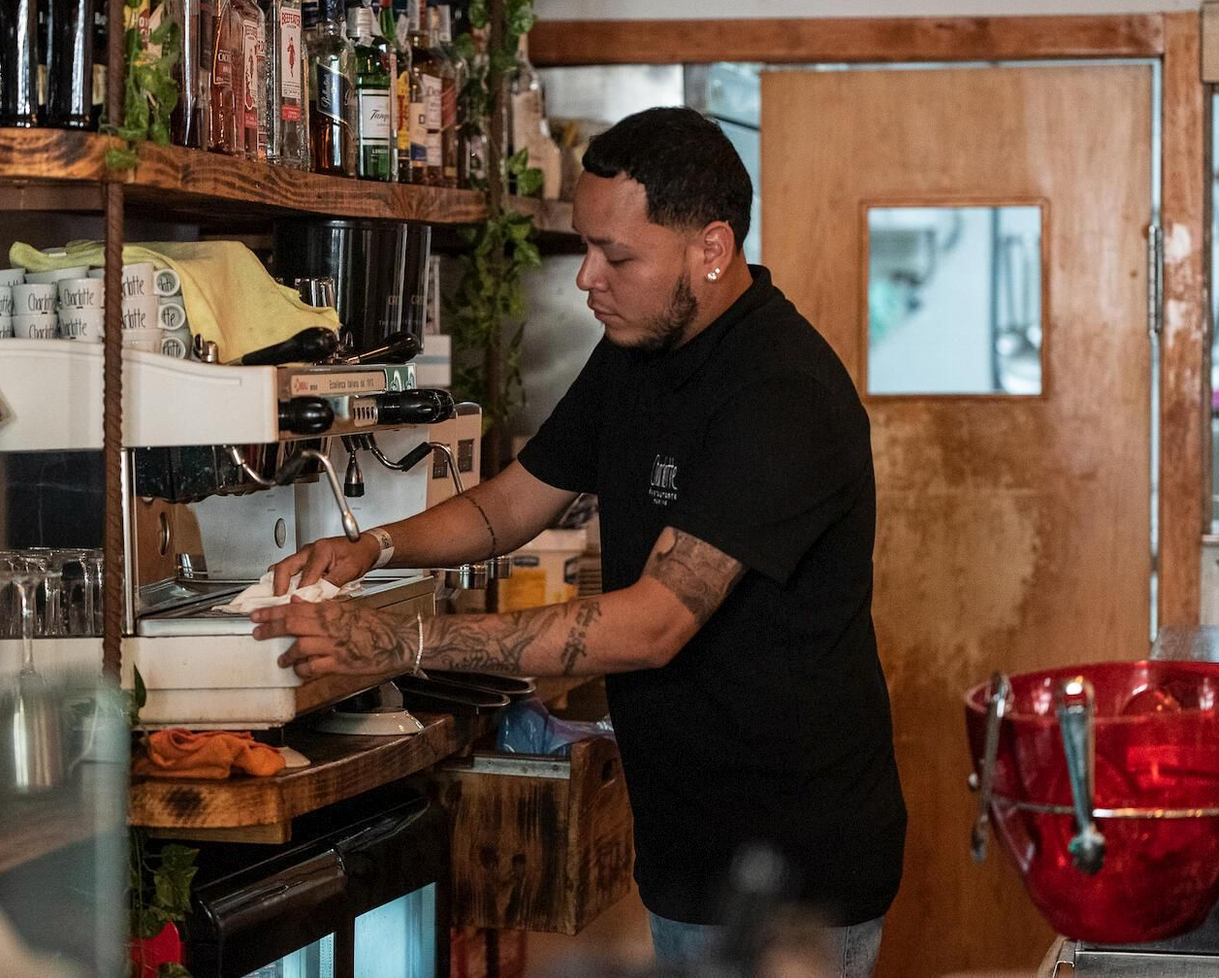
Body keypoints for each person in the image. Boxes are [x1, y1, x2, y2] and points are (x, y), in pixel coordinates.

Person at [251, 106, 906, 978]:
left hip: (792, 878)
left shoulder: (780, 395)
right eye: (586, 249)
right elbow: (514, 501)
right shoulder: (638, 349)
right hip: (689, 849)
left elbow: (652, 625)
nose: (586, 280)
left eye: (617, 257)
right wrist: (373, 546)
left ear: (712, 249)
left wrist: (404, 641)